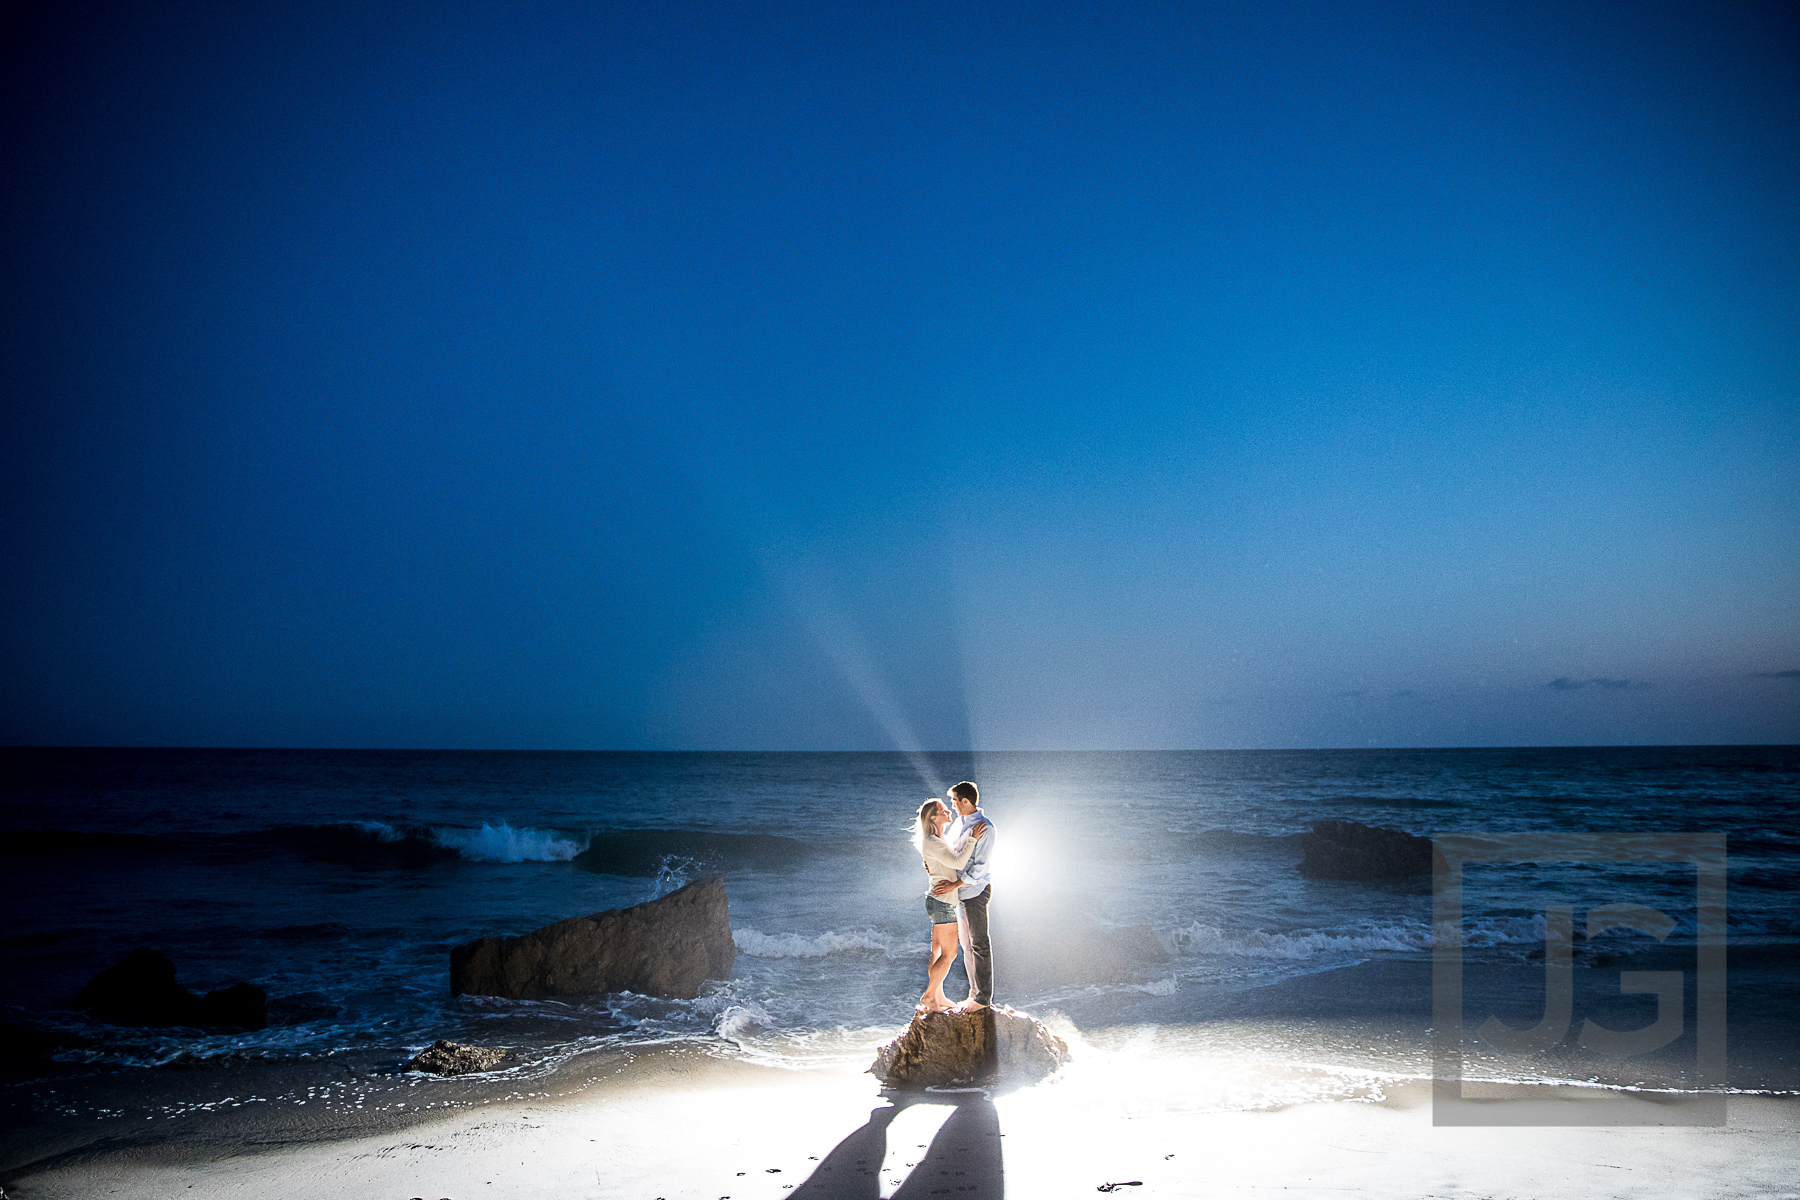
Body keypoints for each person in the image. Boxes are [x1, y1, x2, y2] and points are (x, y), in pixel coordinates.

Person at [911, 796, 987, 1013]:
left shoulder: (936, 839)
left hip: (938, 901)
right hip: (942, 903)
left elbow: (939, 864)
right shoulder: (933, 842)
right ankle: (928, 996)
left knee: (936, 951)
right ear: (933, 817)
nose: (948, 812)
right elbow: (957, 862)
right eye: (943, 810)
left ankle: (938, 995)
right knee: (949, 954)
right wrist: (972, 838)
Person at [933, 780, 995, 1010]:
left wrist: (953, 885)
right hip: (960, 893)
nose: (954, 805)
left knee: (979, 944)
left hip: (975, 892)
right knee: (966, 945)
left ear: (966, 801)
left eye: (955, 801)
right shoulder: (959, 824)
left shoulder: (985, 827)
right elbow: (950, 852)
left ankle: (983, 999)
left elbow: (979, 869)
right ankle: (973, 994)